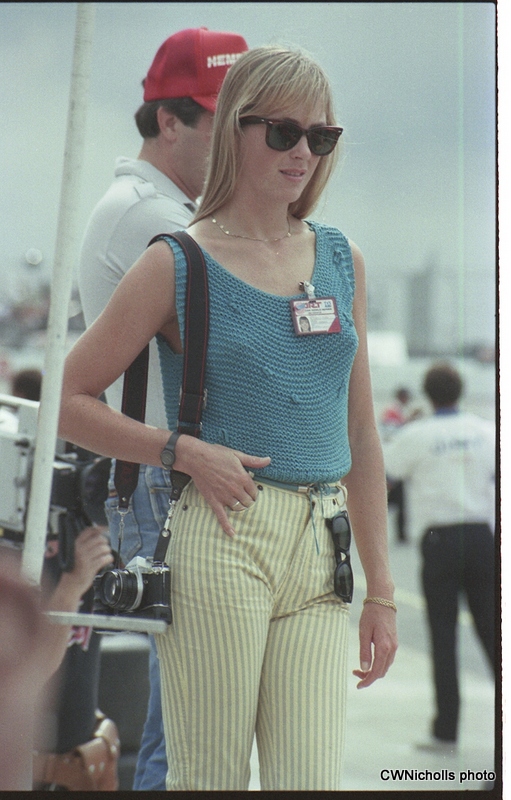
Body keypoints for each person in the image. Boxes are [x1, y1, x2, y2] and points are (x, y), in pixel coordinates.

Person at [60, 44, 398, 791]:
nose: (303, 152)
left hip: (323, 544)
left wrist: (382, 590)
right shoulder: (178, 260)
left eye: (321, 136)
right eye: (283, 132)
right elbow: (69, 399)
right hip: (222, 533)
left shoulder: (341, 260)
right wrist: (178, 450)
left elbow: (360, 433)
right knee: (208, 778)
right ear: (234, 130)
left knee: (309, 780)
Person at [78, 27, 248, 791]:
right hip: (167, 472)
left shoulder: (163, 209)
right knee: (192, 720)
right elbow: (235, 337)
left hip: (167, 469)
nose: (243, 141)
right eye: (227, 122)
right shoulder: (152, 217)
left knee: (187, 713)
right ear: (169, 120)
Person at [383, 362, 496, 753]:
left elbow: (386, 479)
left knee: (443, 636)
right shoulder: (485, 431)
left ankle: (446, 731)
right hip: (481, 537)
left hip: (439, 540)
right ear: (460, 391)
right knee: (494, 635)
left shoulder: (417, 435)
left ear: (428, 394)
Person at [0, 528, 114, 790]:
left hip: (83, 765)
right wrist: (71, 587)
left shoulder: (86, 530)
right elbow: (28, 675)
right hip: (26, 774)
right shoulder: (11, 546)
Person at [379, 387, 421, 543]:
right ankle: (400, 534)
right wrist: (410, 420)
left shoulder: (397, 411)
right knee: (397, 499)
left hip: (395, 461)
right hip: (392, 461)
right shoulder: (392, 411)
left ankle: (400, 534)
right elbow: (392, 434)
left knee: (396, 499)